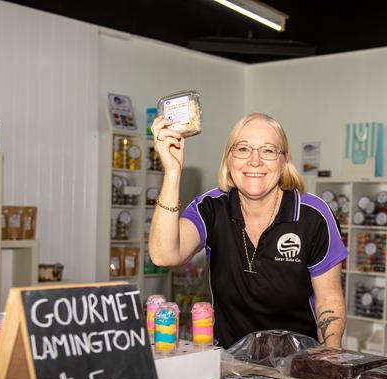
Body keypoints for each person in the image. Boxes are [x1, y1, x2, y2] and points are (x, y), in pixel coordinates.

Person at [148, 112, 347, 348]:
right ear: (228, 159)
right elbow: (164, 255)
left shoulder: (314, 216)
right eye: (243, 149)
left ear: (284, 161)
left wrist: (328, 361)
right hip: (229, 365)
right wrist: (172, 173)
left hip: (298, 367)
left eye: (268, 150)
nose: (255, 161)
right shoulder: (212, 207)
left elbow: (329, 301)